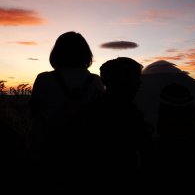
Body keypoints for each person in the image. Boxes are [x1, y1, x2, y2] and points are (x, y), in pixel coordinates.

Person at [27, 31, 104, 191]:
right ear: (86, 54)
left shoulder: (44, 79)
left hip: (48, 151)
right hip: (84, 153)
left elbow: (33, 111)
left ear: (57, 53)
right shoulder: (95, 81)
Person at [81, 57, 153, 193]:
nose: (140, 84)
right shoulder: (130, 112)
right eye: (136, 78)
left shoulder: (92, 109)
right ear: (124, 81)